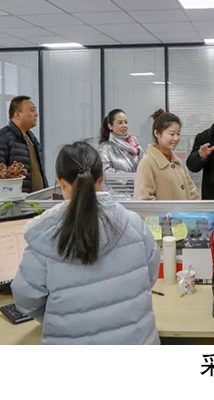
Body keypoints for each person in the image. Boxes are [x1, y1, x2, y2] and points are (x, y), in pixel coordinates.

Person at [11, 141, 160, 344]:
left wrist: (59, 318)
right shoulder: (134, 224)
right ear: (101, 179)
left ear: (61, 183)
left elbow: (25, 299)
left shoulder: (45, 236)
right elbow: (150, 276)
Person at [0, 95, 48, 197]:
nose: (36, 114)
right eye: (32, 110)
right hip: (16, 203)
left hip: (36, 201)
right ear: (17, 114)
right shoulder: (0, 139)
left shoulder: (32, 138)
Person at [134, 110, 199, 201]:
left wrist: (195, 208)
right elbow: (144, 200)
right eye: (172, 134)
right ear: (157, 133)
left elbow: (192, 192)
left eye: (178, 133)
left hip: (185, 211)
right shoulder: (147, 163)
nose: (176, 138)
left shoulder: (177, 162)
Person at [97, 108, 143, 173]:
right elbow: (106, 170)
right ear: (110, 126)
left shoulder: (136, 145)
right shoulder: (104, 148)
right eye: (120, 123)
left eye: (126, 122)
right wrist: (128, 178)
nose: (124, 126)